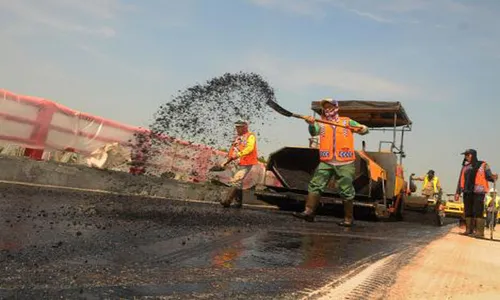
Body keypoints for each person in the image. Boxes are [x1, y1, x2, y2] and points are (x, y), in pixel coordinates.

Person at [292, 98, 369, 226]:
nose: (328, 109)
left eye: (330, 106)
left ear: (336, 108)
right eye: (326, 107)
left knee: (346, 190)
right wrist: (311, 124)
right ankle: (309, 212)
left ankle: (348, 219)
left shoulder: (346, 121)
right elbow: (313, 132)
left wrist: (362, 128)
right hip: (326, 161)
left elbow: (365, 131)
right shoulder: (321, 123)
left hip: (345, 161)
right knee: (315, 184)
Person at [455, 149, 498, 237]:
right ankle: (468, 230)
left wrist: (493, 177)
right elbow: (460, 180)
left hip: (478, 191)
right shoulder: (465, 167)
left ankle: (479, 232)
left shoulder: (483, 165)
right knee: (468, 211)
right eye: (465, 155)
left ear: (473, 155)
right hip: (467, 191)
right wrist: (457, 192)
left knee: (478, 211)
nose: (466, 157)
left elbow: (489, 176)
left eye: (467, 155)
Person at [219, 120, 259, 208]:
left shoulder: (250, 136)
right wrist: (227, 161)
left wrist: (238, 155)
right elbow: (233, 151)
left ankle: (227, 201)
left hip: (246, 162)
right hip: (236, 162)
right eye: (236, 127)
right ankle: (238, 202)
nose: (237, 129)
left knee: (236, 180)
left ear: (245, 127)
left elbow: (250, 148)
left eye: (239, 127)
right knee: (238, 182)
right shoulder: (238, 138)